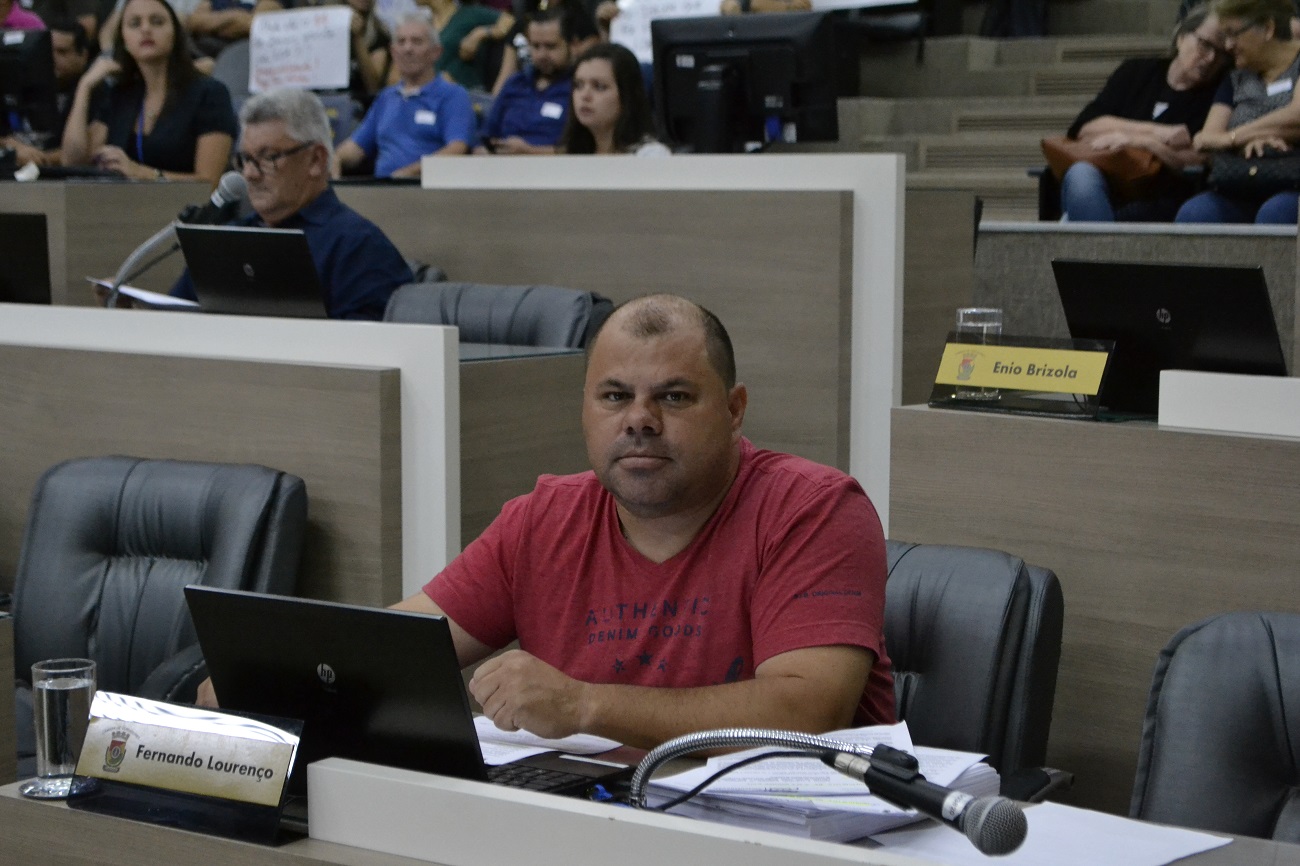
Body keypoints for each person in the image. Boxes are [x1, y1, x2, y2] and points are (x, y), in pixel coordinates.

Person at [386, 294, 895, 748]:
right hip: (583, 822)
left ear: (734, 409)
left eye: (674, 397)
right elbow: (386, 648)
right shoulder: (542, 519)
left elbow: (807, 715)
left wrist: (583, 706)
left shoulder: (814, 510)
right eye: (615, 396)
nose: (639, 420)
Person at [171, 88, 413, 319]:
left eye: (268, 157)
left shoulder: (359, 246)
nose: (250, 174)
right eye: (245, 159)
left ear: (316, 160)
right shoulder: (226, 240)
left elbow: (373, 347)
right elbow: (172, 318)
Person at [1059, 5, 1227, 221]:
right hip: (1110, 180)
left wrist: (1142, 142)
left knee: (1077, 218)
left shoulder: (1215, 95)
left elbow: (1196, 158)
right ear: (1182, 37)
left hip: (1161, 197)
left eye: (1221, 54)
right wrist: (1158, 133)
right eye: (1205, 45)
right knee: (1080, 175)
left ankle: (1092, 242)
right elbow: (1085, 127)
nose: (1211, 59)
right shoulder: (1136, 72)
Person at [60, 0, 236, 183]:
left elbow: (209, 183)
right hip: (124, 208)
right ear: (124, 40)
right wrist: (85, 86)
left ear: (175, 34)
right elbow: (73, 161)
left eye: (157, 22)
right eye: (135, 24)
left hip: (185, 209)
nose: (145, 29)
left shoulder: (209, 93)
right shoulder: (121, 95)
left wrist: (142, 173)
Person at [1177, 0, 1300, 222]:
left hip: (1294, 182)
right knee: (1196, 213)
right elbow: (1204, 139)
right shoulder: (1235, 80)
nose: (1228, 45)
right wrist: (1244, 142)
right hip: (1242, 181)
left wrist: (1234, 137)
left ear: (1268, 28)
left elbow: (1296, 117)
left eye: (1234, 34)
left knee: (1276, 212)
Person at [333, 11, 475, 177]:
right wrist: (336, 158)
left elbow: (457, 149)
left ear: (436, 52)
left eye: (417, 42)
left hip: (427, 192)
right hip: (381, 193)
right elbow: (356, 147)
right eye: (401, 42)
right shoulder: (386, 97)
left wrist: (408, 174)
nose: (408, 48)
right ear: (393, 52)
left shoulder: (453, 96)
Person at [476, 9, 571, 154]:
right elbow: (485, 138)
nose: (542, 55)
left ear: (571, 45)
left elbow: (583, 151)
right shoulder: (514, 84)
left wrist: (529, 152)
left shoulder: (580, 87)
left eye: (550, 46)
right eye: (535, 46)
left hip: (557, 172)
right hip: (504, 170)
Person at [0, 15, 89, 166]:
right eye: (48, 51)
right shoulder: (18, 87)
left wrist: (33, 157)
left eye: (62, 52)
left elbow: (89, 152)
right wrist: (10, 146)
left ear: (83, 56)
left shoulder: (96, 90)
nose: (51, 59)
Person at [561, 42, 669, 156]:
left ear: (626, 95)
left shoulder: (651, 155)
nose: (584, 96)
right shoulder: (572, 153)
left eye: (599, 87)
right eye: (578, 85)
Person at [419, 0, 513, 91]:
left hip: (468, 94)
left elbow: (512, 22)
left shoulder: (469, 14)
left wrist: (481, 33)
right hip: (430, 95)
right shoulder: (424, 24)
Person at [186, 0, 281, 59]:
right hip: (202, 52)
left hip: (244, 54)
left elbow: (254, 24)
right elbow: (193, 22)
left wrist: (211, 23)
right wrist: (235, 19)